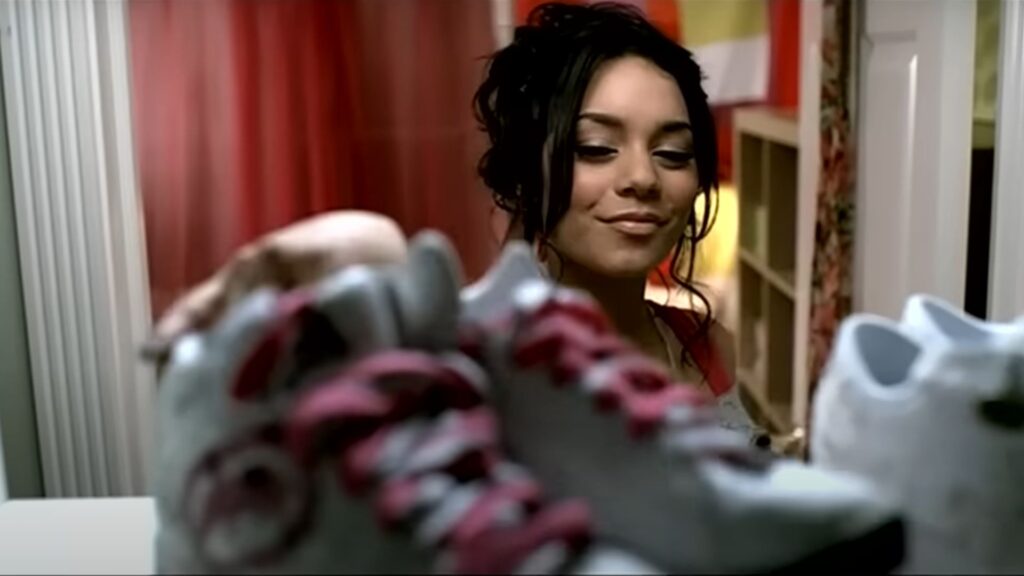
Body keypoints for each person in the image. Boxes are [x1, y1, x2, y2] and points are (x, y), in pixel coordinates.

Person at [149, 2, 768, 443]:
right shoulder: (465, 364)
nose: (642, 178)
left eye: (673, 153)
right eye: (596, 148)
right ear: (526, 173)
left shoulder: (710, 345)